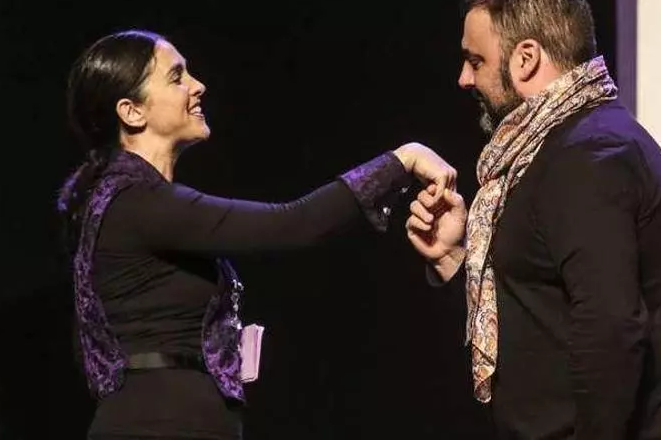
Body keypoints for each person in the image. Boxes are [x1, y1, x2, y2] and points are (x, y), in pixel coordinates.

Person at [404, 0, 661, 440]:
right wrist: (457, 259)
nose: (464, 78)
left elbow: (610, 325)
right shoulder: (554, 152)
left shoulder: (589, 154)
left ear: (525, 58)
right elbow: (542, 320)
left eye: (476, 61)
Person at [56, 29, 457, 440]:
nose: (198, 85)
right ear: (132, 112)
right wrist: (400, 161)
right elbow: (293, 224)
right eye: (177, 77)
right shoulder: (136, 203)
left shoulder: (130, 201)